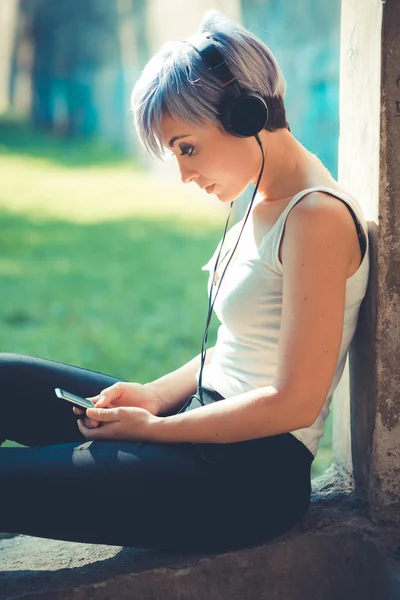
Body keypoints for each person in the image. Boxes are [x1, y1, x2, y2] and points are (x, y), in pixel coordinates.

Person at [0, 10, 369, 553]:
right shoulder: (263, 200)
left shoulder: (316, 217)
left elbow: (295, 402)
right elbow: (235, 350)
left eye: (186, 147)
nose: (184, 173)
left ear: (247, 115)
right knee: (6, 380)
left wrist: (149, 429)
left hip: (247, 476)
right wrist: (151, 397)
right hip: (202, 423)